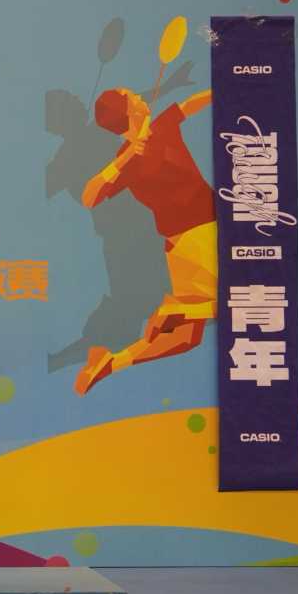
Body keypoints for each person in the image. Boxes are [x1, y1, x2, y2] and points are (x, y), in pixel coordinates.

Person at [75, 88, 215, 394]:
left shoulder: (161, 125)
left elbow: (190, 104)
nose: (141, 99)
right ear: (128, 111)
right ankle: (173, 310)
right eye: (133, 98)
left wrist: (221, 92)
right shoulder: (128, 159)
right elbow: (89, 196)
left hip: (179, 244)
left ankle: (110, 362)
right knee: (235, 300)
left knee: (185, 338)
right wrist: (127, 156)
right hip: (201, 233)